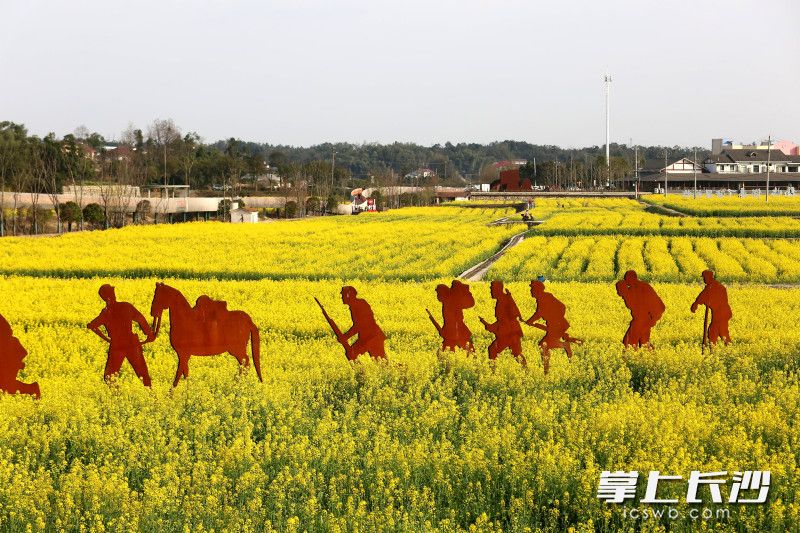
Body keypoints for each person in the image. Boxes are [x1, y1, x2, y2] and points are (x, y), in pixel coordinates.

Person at [88, 284, 156, 386]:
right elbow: (140, 318)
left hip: (117, 345)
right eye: (112, 292)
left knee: (109, 377)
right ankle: (152, 396)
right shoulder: (125, 306)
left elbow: (91, 326)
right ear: (110, 295)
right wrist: (149, 333)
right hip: (131, 344)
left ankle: (116, 395)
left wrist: (107, 339)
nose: (114, 294)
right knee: (142, 374)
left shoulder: (106, 313)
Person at [523, 280, 581, 374]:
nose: (531, 291)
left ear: (537, 290)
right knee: (545, 345)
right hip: (555, 325)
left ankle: (547, 371)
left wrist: (531, 321)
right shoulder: (543, 297)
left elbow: (539, 313)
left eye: (532, 289)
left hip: (557, 325)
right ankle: (547, 369)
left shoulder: (544, 297)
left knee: (543, 346)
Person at [480, 280, 526, 366]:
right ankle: (526, 371)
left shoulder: (503, 301)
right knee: (517, 353)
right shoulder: (504, 299)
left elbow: (504, 320)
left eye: (491, 289)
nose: (490, 291)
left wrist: (489, 326)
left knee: (492, 350)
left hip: (508, 333)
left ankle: (492, 372)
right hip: (513, 331)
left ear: (497, 289)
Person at [616, 270, 665, 348]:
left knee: (629, 342)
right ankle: (648, 358)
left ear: (631, 278)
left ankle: (633, 357)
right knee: (644, 342)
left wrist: (654, 318)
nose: (626, 282)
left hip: (642, 320)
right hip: (643, 319)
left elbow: (658, 303)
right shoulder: (632, 290)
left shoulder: (644, 287)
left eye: (626, 279)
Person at [0, 313, 40, 398]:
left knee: (5, 384)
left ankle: (32, 389)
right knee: (5, 384)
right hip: (9, 352)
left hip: (10, 353)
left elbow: (6, 334)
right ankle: (32, 389)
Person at [341, 286, 386, 359]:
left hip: (373, 337)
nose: (342, 297)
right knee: (351, 354)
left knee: (382, 363)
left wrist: (346, 336)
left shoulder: (360, 304)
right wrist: (345, 336)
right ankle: (361, 370)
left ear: (348, 295)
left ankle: (403, 369)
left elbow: (360, 325)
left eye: (343, 295)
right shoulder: (353, 306)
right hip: (365, 338)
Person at [430, 280, 475, 352]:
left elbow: (453, 320)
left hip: (456, 331)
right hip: (451, 331)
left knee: (466, 350)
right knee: (446, 352)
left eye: (438, 293)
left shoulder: (451, 301)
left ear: (443, 293)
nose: (437, 296)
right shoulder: (446, 302)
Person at [691, 270, 732, 345]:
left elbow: (708, 296)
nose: (703, 280)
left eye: (704, 278)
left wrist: (699, 303)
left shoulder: (716, 286)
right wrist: (696, 303)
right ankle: (713, 348)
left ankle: (715, 348)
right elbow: (703, 295)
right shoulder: (711, 286)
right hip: (720, 313)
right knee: (716, 331)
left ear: (708, 277)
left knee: (717, 331)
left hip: (721, 313)